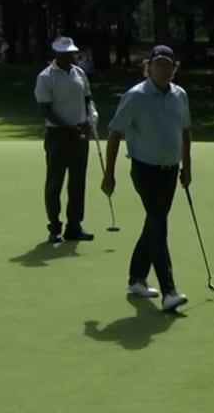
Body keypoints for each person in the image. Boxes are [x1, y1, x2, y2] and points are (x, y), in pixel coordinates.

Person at [101, 45, 192, 313]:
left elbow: (185, 131)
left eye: (169, 65)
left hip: (170, 171)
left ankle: (136, 278)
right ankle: (169, 292)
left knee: (154, 223)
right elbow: (115, 132)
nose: (164, 70)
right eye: (159, 64)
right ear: (148, 66)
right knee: (158, 223)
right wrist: (109, 174)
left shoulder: (180, 95)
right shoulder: (135, 96)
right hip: (145, 170)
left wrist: (187, 167)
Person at [33, 36, 98, 243]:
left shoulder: (79, 73)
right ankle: (54, 228)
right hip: (58, 136)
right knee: (55, 182)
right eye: (66, 53)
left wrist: (91, 116)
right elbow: (45, 110)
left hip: (80, 134)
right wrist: (68, 127)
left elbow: (87, 98)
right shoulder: (46, 77)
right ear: (56, 54)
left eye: (72, 52)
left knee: (78, 182)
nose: (71, 56)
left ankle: (74, 226)